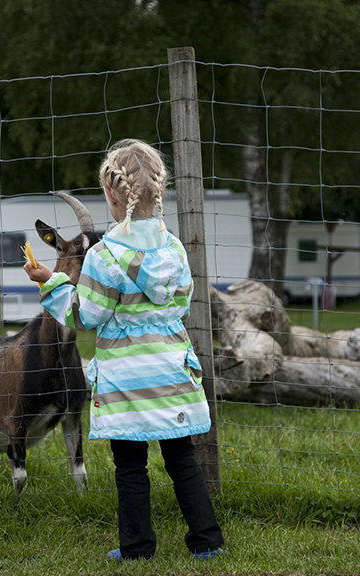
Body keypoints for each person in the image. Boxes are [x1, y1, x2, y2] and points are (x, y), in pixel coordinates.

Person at [24, 139, 226, 561]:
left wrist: (52, 281)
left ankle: (137, 548)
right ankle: (207, 542)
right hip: (171, 371)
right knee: (181, 457)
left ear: (112, 195)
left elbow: (86, 316)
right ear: (159, 190)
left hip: (128, 377)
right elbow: (183, 303)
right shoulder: (173, 248)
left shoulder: (105, 255)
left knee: (130, 466)